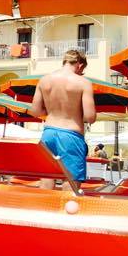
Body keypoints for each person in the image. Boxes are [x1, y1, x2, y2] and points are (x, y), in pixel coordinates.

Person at [30, 48, 96, 187]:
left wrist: (52, 108)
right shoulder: (83, 83)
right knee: (70, 181)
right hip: (71, 135)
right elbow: (90, 117)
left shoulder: (44, 80)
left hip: (48, 133)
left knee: (47, 178)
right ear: (80, 65)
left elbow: (35, 111)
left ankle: (46, 208)